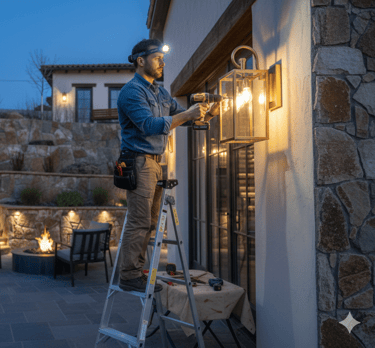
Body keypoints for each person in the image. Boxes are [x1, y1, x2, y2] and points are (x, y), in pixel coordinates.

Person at [117, 38, 219, 292]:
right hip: (138, 162)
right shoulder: (132, 92)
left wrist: (209, 112)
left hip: (154, 163)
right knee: (139, 221)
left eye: (163, 58)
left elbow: (183, 118)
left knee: (150, 223)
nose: (162, 62)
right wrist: (187, 114)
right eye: (157, 58)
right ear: (141, 61)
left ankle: (137, 271)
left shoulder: (161, 93)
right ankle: (128, 276)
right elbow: (150, 125)